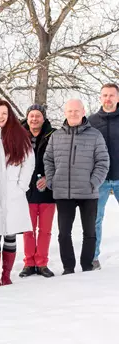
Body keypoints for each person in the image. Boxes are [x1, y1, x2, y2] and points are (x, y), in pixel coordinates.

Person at [44, 99, 109, 274]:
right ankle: (68, 268)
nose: (73, 114)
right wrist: (52, 180)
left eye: (76, 111)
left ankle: (87, 266)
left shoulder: (95, 135)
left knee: (89, 232)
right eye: (70, 111)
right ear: (65, 113)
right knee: (64, 233)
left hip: (88, 193)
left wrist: (93, 182)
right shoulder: (56, 136)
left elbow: (103, 161)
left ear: (83, 111)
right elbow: (48, 159)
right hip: (63, 193)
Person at [0, 100, 35, 287]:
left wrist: (21, 186)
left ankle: (6, 275)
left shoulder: (20, 135)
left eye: (4, 113)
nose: (1, 117)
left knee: (11, 233)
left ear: (9, 115)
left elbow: (29, 162)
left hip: (14, 190)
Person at [20, 105, 57, 278]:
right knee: (28, 229)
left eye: (38, 116)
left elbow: (60, 160)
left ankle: (42, 263)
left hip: (47, 191)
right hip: (26, 191)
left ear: (43, 118)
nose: (34, 119)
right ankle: (29, 263)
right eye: (31, 116)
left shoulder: (54, 135)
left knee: (45, 230)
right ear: (27, 118)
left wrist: (49, 178)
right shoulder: (19, 135)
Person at [89, 83, 119, 270]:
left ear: (118, 98)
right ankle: (93, 258)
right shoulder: (91, 121)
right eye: (104, 95)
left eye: (111, 95)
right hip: (99, 180)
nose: (107, 99)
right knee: (95, 219)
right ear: (100, 97)